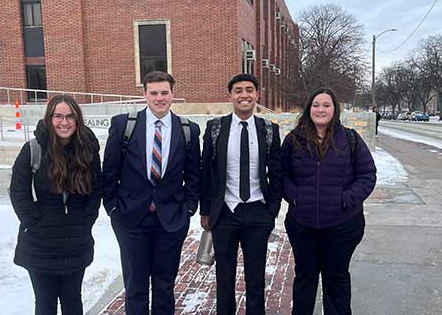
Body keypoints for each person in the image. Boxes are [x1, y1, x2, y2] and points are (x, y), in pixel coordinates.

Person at [102, 71, 201, 314]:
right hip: (131, 218)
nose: (159, 98)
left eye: (164, 93)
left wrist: (188, 208)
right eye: (153, 92)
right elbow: (109, 171)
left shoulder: (188, 129)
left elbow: (194, 175)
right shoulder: (124, 125)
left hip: (171, 219)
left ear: (172, 94)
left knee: (165, 285)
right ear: (144, 94)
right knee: (135, 285)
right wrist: (113, 208)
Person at [281, 88, 377, 315]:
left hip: (342, 226)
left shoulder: (350, 139)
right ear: (309, 109)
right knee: (305, 277)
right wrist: (295, 196)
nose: (321, 109)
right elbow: (280, 175)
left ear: (335, 109)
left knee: (337, 279)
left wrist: (346, 199)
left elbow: (367, 175)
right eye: (316, 105)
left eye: (326, 105)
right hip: (302, 225)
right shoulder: (294, 139)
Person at [9, 94, 102, 315]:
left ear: (77, 119)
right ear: (49, 118)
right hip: (41, 244)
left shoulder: (88, 150)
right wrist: (34, 223)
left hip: (76, 241)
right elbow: (18, 192)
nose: (64, 122)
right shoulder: (33, 149)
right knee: (45, 303)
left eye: (70, 116)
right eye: (58, 116)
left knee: (73, 302)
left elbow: (97, 190)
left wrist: (85, 222)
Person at [200, 74, 282, 315]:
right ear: (230, 96)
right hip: (225, 212)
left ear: (257, 95)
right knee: (224, 278)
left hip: (258, 212)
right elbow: (206, 172)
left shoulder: (268, 129)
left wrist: (272, 209)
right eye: (238, 90)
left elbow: (277, 172)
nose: (244, 94)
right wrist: (205, 211)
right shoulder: (215, 128)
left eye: (249, 90)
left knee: (255, 279)